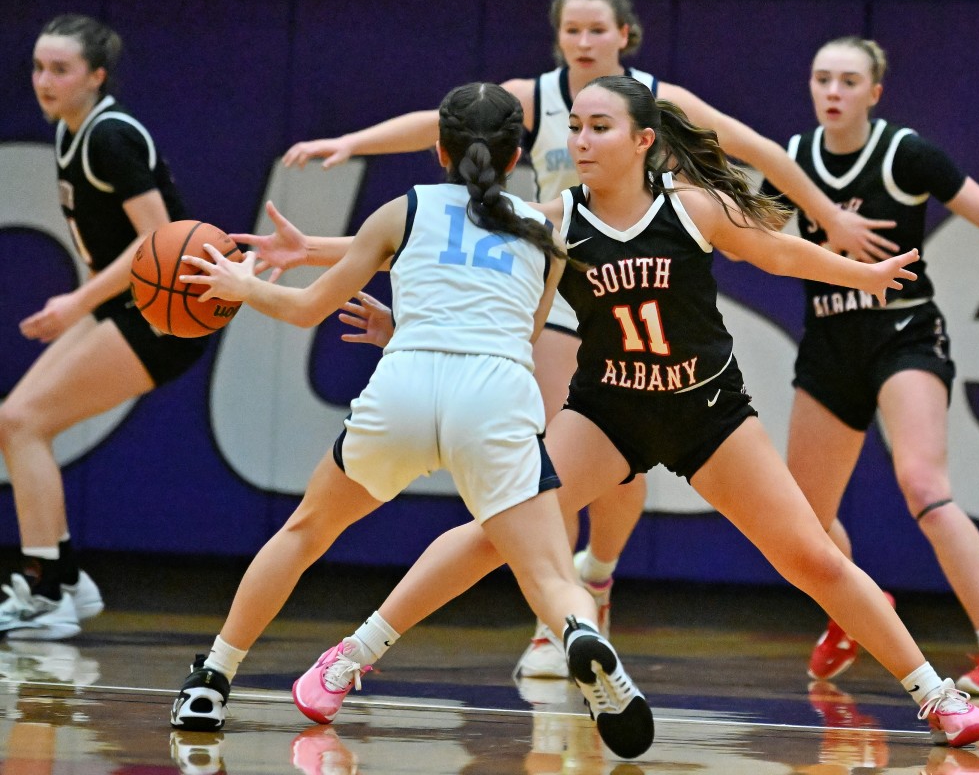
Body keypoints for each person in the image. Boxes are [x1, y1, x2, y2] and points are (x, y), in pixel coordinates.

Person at [282, 75, 979, 749]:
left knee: (813, 556)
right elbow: (433, 248)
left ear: (644, 140)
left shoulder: (691, 208)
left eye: (599, 127)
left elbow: (778, 256)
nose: (581, 140)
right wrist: (321, 257)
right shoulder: (552, 222)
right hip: (608, 412)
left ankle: (938, 696)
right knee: (488, 536)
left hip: (707, 411)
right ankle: (350, 657)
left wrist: (863, 273)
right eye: (575, 128)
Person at [276, 0, 896, 681]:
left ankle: (596, 573)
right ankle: (558, 619)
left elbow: (759, 157)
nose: (583, 42)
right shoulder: (536, 110)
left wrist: (831, 219)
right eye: (572, 31)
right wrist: (351, 147)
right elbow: (441, 138)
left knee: (636, 483)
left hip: (648, 293)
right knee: (542, 475)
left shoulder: (665, 117)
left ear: (624, 38)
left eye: (596, 30)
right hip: (561, 280)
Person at [167, 82, 655, 760]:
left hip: (405, 387)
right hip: (495, 397)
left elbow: (307, 309)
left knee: (305, 531)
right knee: (548, 574)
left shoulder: (404, 209)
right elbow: (516, 329)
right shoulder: (548, 234)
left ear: (437, 149)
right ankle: (577, 632)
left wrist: (244, 287)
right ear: (518, 154)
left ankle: (212, 679)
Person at [759, 37, 979, 696]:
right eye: (822, 79)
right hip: (829, 342)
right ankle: (855, 609)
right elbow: (754, 239)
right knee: (802, 520)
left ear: (875, 92)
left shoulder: (904, 154)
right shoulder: (793, 162)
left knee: (924, 484)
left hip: (903, 333)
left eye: (848, 80)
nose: (833, 91)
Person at [0, 15, 201, 640]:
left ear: (96, 76)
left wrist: (76, 302)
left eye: (60, 70)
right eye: (38, 67)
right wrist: (86, 307)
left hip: (165, 313)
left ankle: (48, 589)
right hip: (126, 306)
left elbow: (157, 239)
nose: (44, 80)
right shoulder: (71, 132)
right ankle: (62, 580)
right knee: (15, 420)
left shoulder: (110, 137)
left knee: (24, 423)